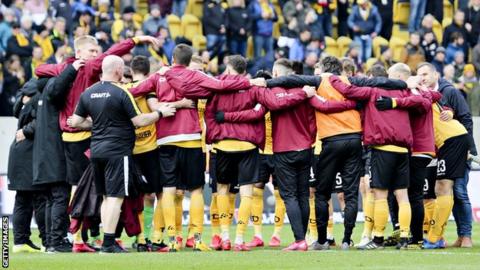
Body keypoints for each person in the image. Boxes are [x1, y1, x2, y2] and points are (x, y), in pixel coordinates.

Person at [35, 34, 161, 252]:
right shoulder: (93, 67)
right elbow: (112, 55)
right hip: (88, 136)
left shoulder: (66, 70)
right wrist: (135, 39)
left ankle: (81, 238)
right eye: (92, 51)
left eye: (96, 51)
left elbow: (40, 70)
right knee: (100, 191)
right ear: (80, 53)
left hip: (71, 136)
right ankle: (92, 238)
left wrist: (68, 67)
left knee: (84, 188)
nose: (96, 55)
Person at [206, 56, 315, 251]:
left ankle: (225, 236)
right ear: (244, 70)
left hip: (223, 144)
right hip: (248, 145)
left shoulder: (217, 87)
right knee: (248, 192)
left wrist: (217, 130)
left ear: (228, 69)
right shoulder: (255, 87)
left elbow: (210, 113)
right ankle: (240, 239)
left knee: (222, 190)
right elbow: (261, 110)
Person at [69, 55, 176, 253]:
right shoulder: (121, 93)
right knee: (116, 196)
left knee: (105, 197)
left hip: (97, 151)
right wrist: (161, 113)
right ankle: (109, 243)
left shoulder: (89, 92)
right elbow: (139, 121)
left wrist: (97, 124)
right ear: (118, 71)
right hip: (118, 151)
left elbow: (74, 122)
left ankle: (106, 240)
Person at [328, 63, 429, 250]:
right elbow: (423, 101)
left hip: (382, 148)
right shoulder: (404, 92)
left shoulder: (373, 91)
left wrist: (331, 77)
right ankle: (406, 237)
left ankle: (378, 239)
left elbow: (347, 90)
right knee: (402, 195)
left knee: (380, 195)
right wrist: (401, 98)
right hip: (403, 150)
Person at [416, 62, 476, 248]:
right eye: (419, 75)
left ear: (436, 75)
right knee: (438, 190)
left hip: (457, 144)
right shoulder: (425, 94)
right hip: (440, 148)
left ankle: (463, 236)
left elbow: (466, 118)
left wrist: (469, 149)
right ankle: (438, 237)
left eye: (425, 74)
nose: (422, 78)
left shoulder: (448, 91)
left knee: (458, 191)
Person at [8, 79, 46, 253]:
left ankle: (20, 241)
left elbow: (18, 114)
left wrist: (24, 130)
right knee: (39, 198)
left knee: (22, 199)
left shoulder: (23, 95)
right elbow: (42, 122)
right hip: (31, 151)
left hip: (18, 150)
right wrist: (27, 131)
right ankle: (47, 240)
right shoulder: (41, 96)